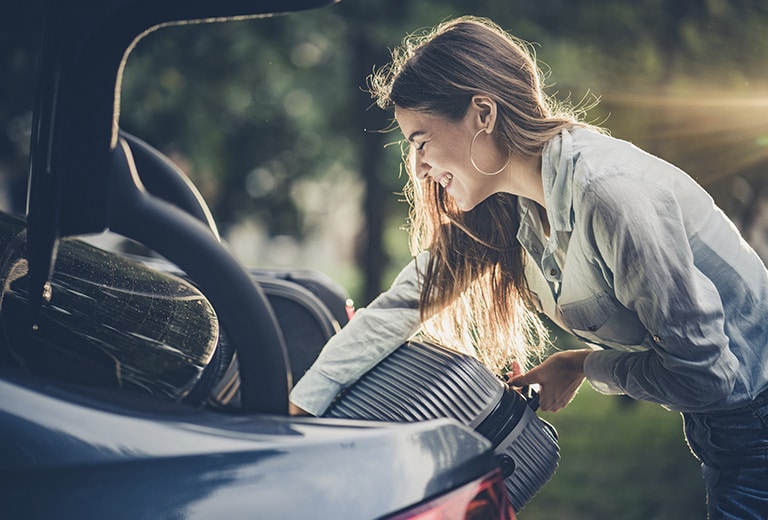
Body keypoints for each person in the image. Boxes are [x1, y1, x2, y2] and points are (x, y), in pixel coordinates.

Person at [288, 15, 768, 519]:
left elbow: (710, 379)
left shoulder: (609, 194)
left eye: (421, 140)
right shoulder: (507, 207)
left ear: (482, 114)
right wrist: (295, 416)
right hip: (727, 429)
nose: (420, 167)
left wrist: (583, 363)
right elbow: (397, 309)